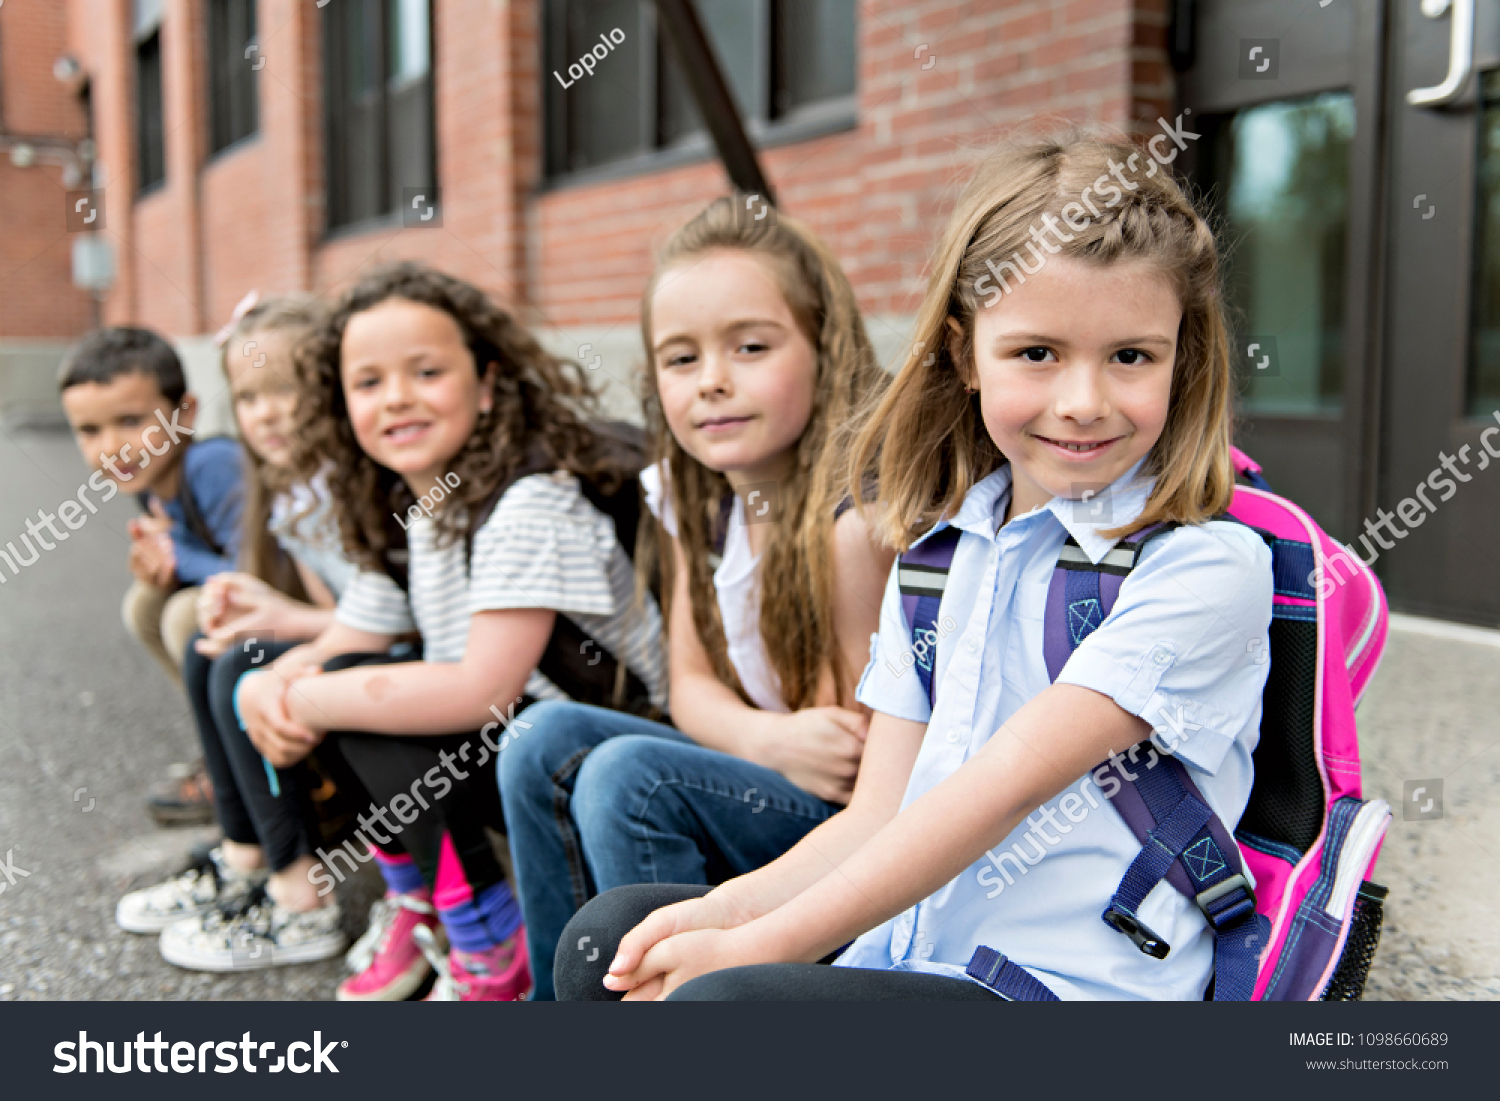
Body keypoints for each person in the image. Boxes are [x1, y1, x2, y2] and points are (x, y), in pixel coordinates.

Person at [557, 130, 1275, 1002]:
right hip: (914, 955)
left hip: (1062, 991)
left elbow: (995, 794)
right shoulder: (942, 551)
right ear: (966, 353)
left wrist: (760, 945)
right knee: (610, 942)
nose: (1083, 402)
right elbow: (875, 814)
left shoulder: (1205, 568)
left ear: (1180, 358)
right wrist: (729, 910)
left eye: (1131, 356)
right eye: (1036, 353)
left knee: (721, 998)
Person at [235, 261, 667, 1001]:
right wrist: (267, 682)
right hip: (515, 742)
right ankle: (437, 908)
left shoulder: (531, 498)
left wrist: (307, 697)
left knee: (357, 706)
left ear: (489, 382)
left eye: (427, 371)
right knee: (338, 687)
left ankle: (490, 939)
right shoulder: (414, 501)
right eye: (368, 383)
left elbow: (480, 689)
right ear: (342, 405)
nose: (397, 397)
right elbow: (347, 635)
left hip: (602, 754)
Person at [501, 195, 895, 1000]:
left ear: (825, 347)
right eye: (681, 360)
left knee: (628, 777)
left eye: (750, 346)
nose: (713, 381)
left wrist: (779, 745)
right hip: (771, 768)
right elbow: (689, 686)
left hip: (849, 846)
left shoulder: (859, 518)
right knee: (539, 734)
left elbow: (848, 759)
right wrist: (764, 738)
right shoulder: (697, 497)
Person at [113, 294, 368, 975]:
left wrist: (287, 631)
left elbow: (387, 617)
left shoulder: (356, 483)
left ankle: (301, 902)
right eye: (250, 395)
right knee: (220, 645)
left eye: (288, 389)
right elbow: (334, 610)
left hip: (408, 657)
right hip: (358, 639)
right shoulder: (287, 491)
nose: (269, 411)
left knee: (239, 663)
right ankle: (245, 854)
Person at [58, 326, 243, 826]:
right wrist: (164, 565)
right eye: (90, 431)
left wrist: (179, 557)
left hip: (299, 621)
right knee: (145, 604)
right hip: (246, 622)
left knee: (187, 614)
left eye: (131, 421)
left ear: (185, 414)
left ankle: (277, 769)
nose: (112, 447)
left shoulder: (212, 464)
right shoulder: (151, 481)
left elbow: (257, 571)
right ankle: (227, 749)